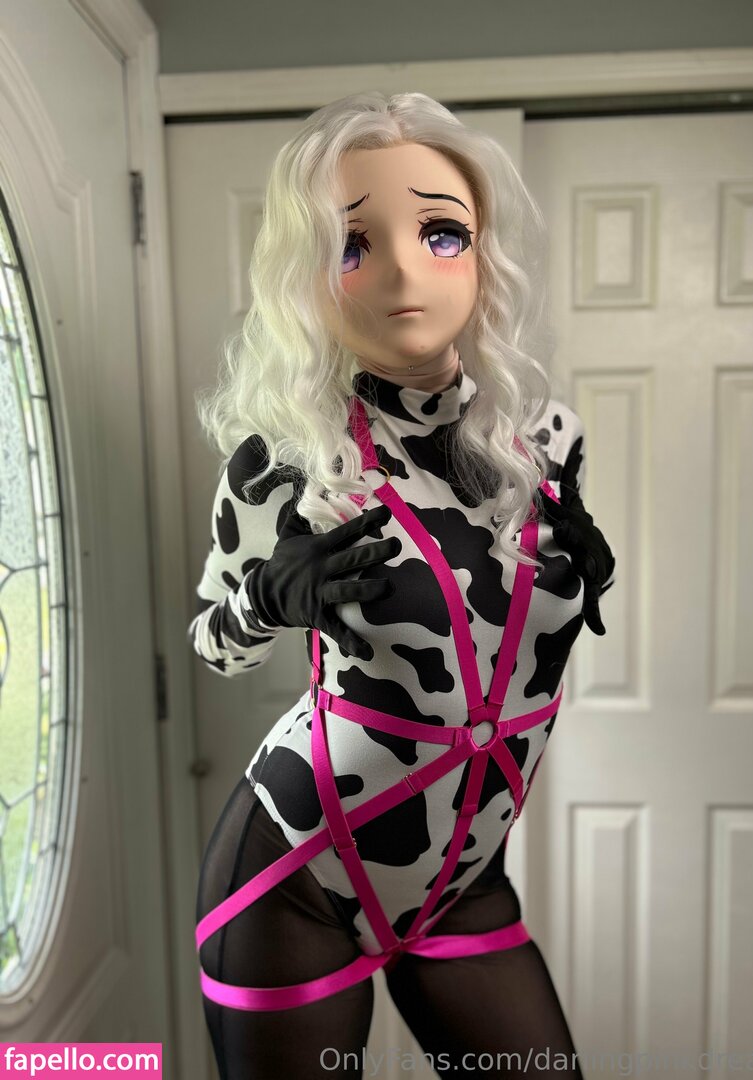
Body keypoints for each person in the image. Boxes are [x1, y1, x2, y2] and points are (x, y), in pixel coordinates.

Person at [189, 90, 615, 1079]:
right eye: (353, 245)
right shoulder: (283, 458)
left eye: (440, 233)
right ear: (308, 277)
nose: (403, 272)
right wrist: (266, 601)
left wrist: (588, 565)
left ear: (484, 252)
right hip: (297, 867)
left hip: (462, 878)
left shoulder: (548, 442)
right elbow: (212, 641)